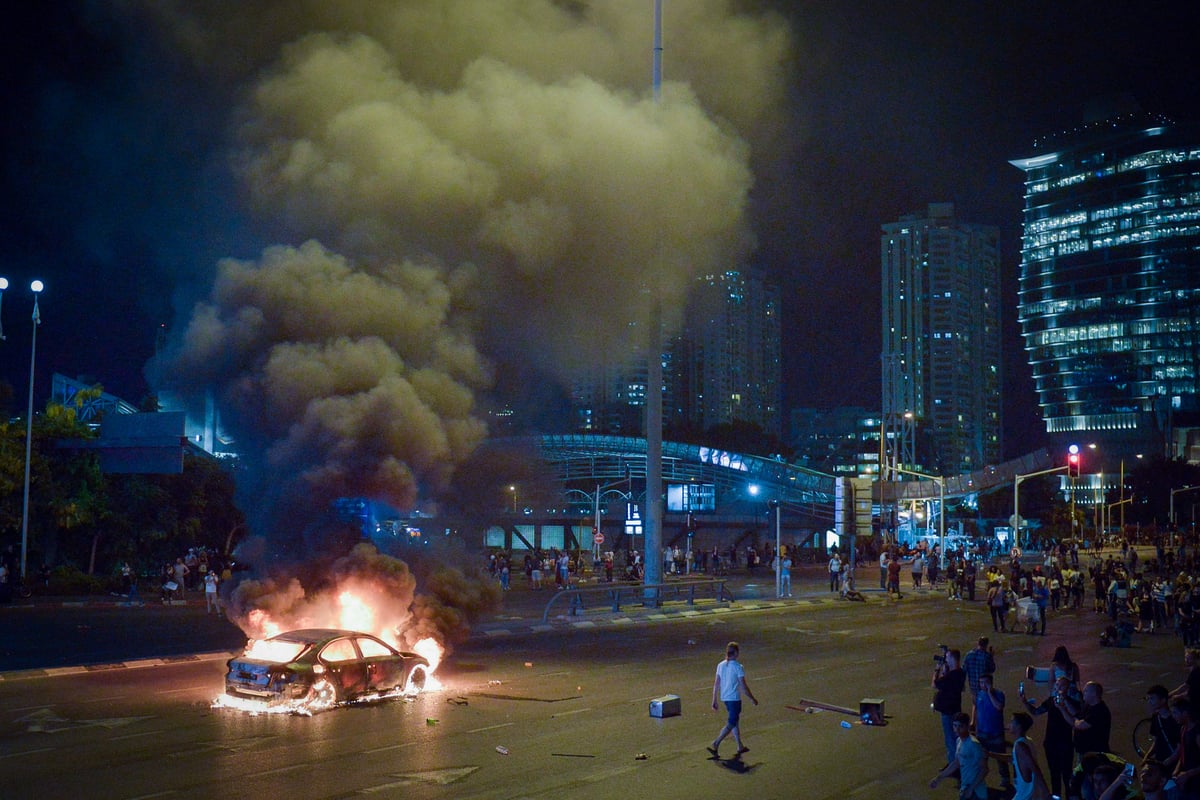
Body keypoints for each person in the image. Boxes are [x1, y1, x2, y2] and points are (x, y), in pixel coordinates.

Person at [1022, 675, 1079, 799]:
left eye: (1061, 685)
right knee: (1054, 773)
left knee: (1066, 774)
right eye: (1056, 685)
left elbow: (1075, 714)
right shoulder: (1051, 701)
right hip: (1051, 743)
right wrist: (1025, 702)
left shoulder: (1072, 702)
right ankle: (1056, 796)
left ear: (1068, 688)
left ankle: (1069, 796)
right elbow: (1036, 712)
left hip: (1065, 743)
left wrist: (1064, 701)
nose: (1057, 687)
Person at [708, 641, 758, 759]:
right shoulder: (738, 667)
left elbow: (716, 684)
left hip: (725, 698)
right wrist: (752, 699)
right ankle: (716, 742)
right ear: (735, 653)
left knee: (735, 721)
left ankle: (739, 745)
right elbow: (744, 687)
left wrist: (714, 700)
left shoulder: (720, 665)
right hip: (734, 699)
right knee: (731, 722)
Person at [930, 712, 989, 799]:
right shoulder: (959, 741)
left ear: (967, 727)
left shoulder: (974, 744)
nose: (957, 729)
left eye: (960, 726)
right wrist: (939, 778)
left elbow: (984, 770)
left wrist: (971, 789)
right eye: (955, 726)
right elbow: (957, 762)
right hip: (965, 788)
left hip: (976, 793)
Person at [974, 672, 1011, 792]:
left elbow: (999, 707)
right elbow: (976, 708)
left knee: (1000, 758)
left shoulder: (999, 694)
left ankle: (1005, 779)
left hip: (996, 733)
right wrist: (973, 722)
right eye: (981, 682)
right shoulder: (979, 694)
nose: (982, 685)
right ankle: (979, 779)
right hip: (982, 732)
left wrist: (990, 693)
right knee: (981, 758)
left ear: (991, 683)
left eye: (985, 682)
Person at [933, 648, 967, 766]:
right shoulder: (960, 673)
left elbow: (935, 684)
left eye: (947, 657)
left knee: (950, 740)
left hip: (948, 712)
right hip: (955, 709)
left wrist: (938, 669)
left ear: (952, 658)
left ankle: (954, 766)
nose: (945, 660)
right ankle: (955, 763)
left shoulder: (952, 675)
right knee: (955, 739)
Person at [1008, 711, 1052, 800]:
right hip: (1026, 793)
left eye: (1012, 722)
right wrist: (990, 754)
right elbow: (1013, 758)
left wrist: (1046, 793)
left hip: (1024, 794)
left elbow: (1034, 768)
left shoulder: (1020, 746)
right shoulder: (1027, 741)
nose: (1009, 724)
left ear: (1019, 726)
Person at [1066, 681, 1113, 761]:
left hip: (1094, 754)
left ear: (1094, 694)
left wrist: (1063, 711)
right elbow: (1077, 714)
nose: (1083, 692)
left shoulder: (1099, 711)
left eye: (1086, 691)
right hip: (1085, 752)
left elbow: (1080, 725)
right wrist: (1064, 701)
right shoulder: (1089, 706)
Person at [1142, 684, 1181, 766]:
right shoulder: (1156, 717)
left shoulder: (1176, 720)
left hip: (1173, 764)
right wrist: (1147, 756)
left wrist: (1168, 761)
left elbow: (1180, 747)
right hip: (1160, 760)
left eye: (1152, 699)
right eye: (1148, 699)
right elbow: (1157, 740)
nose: (1149, 702)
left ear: (1163, 700)